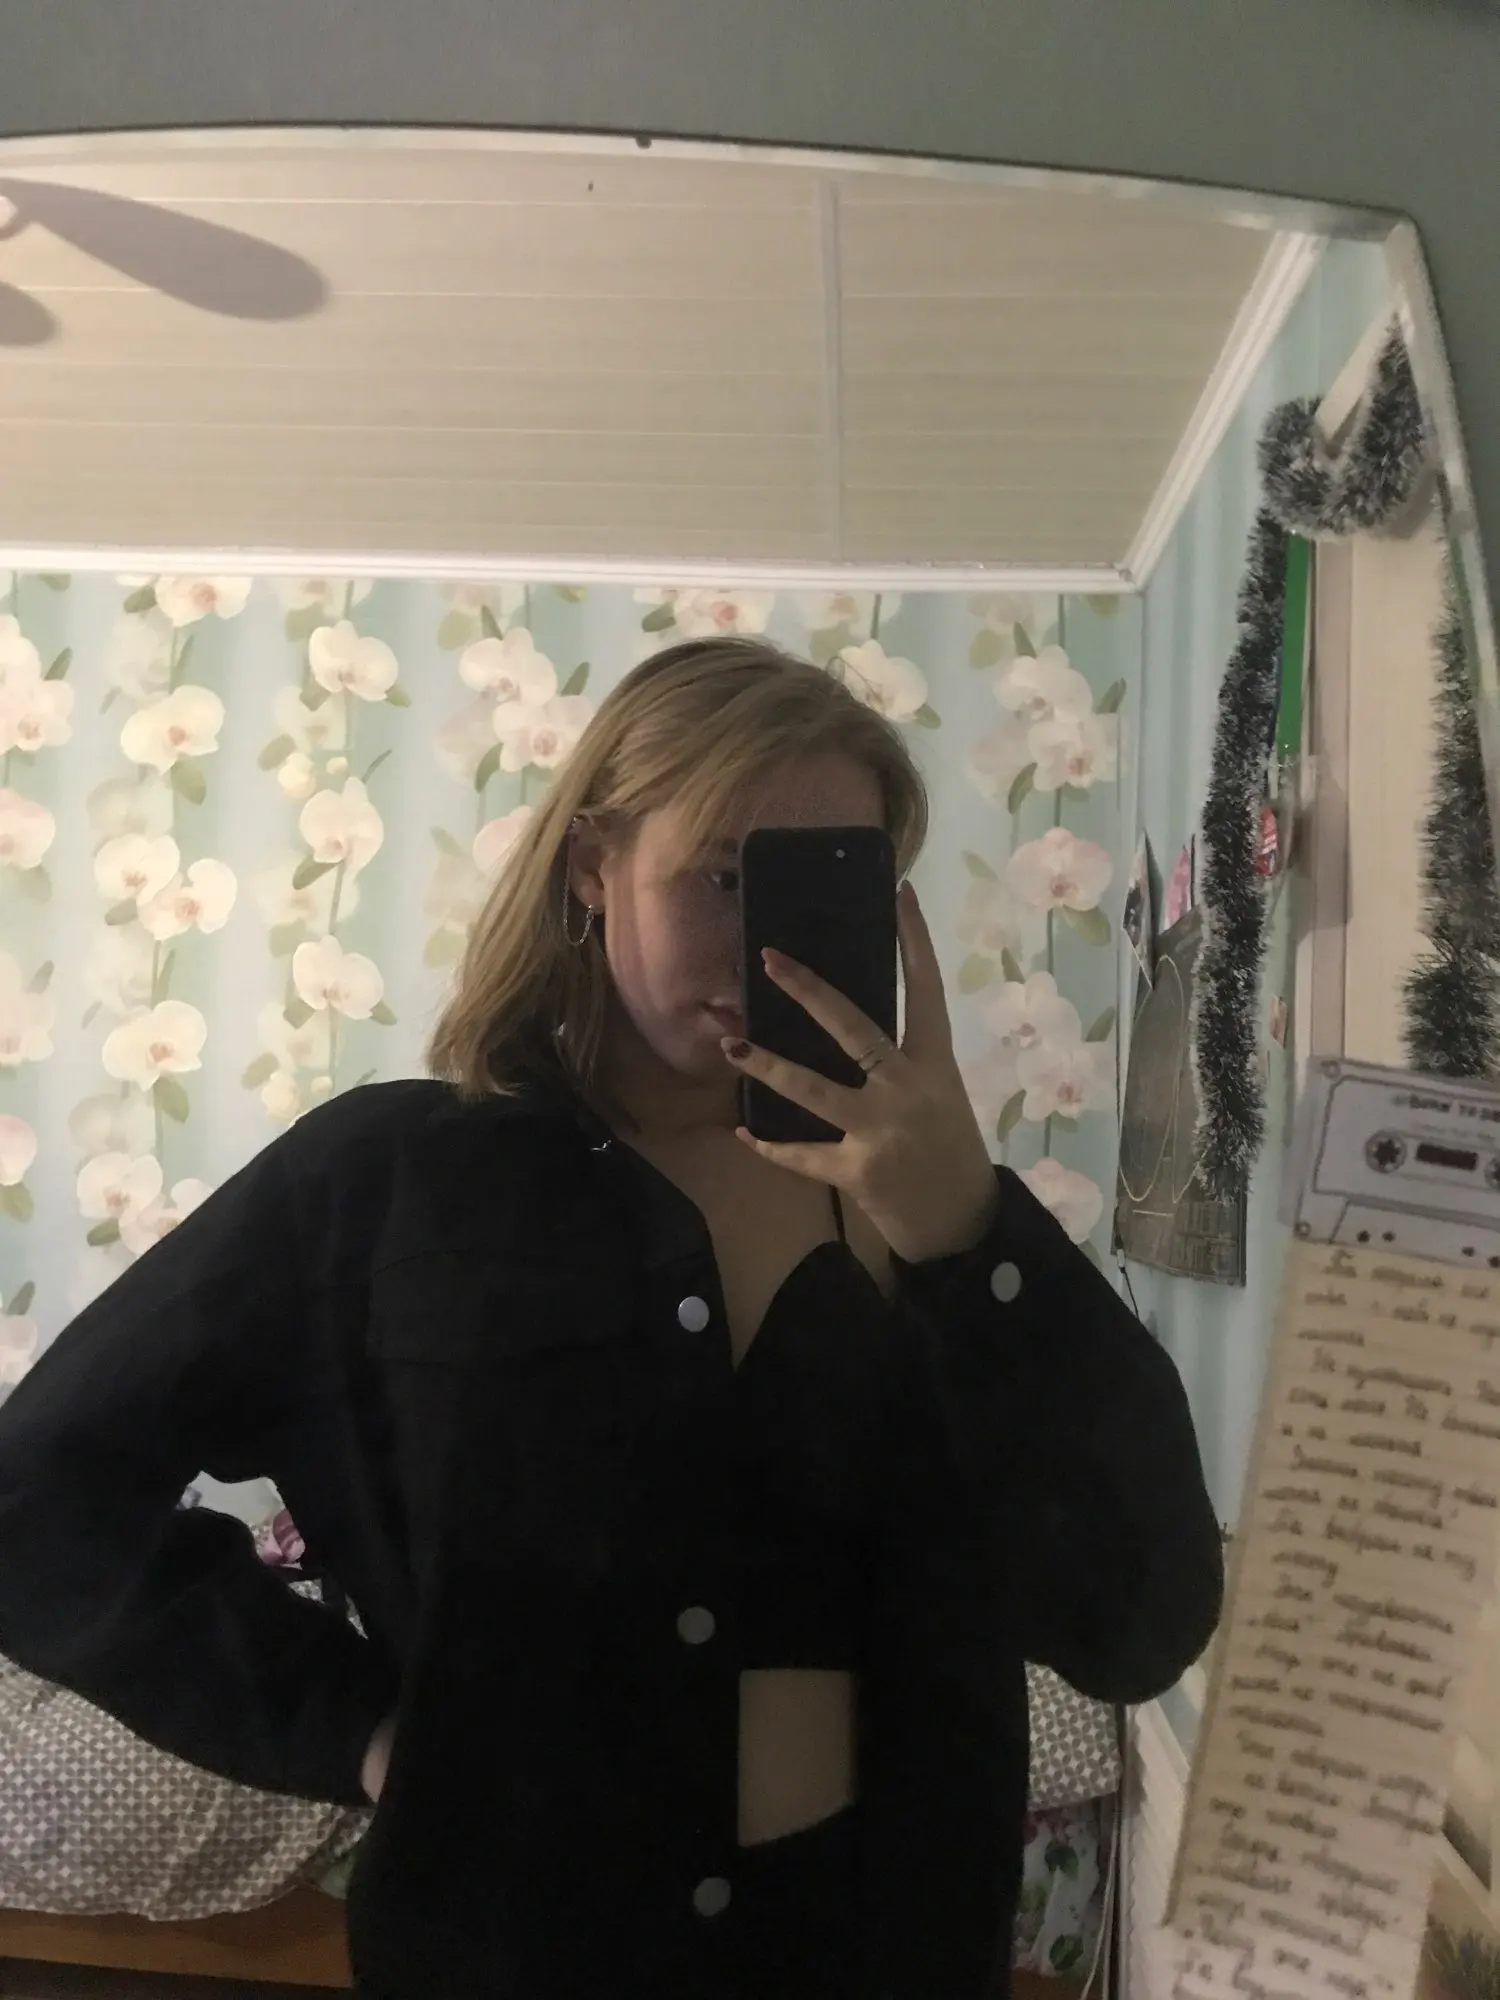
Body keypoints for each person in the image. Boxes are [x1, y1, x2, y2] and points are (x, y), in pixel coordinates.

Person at [0, 636, 1222, 1999]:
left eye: (824, 885)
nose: (768, 945)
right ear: (594, 865)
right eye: (723, 877)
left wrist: (970, 1233)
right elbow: (34, 1499)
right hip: (519, 1950)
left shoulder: (942, 1221)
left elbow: (1143, 1616)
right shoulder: (384, 1185)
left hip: (887, 1950)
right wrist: (354, 1728)